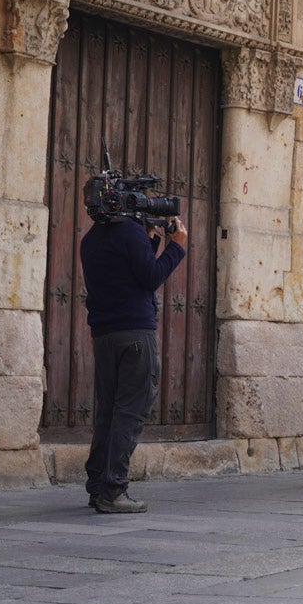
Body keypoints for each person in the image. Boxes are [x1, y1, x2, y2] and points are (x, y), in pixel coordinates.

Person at [81, 209, 187, 514]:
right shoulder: (130, 233)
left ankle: (98, 485)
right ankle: (114, 489)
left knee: (110, 410)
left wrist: (150, 243)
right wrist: (176, 245)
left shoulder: (91, 239)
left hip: (105, 334)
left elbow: (130, 276)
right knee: (131, 410)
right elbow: (150, 277)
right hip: (135, 334)